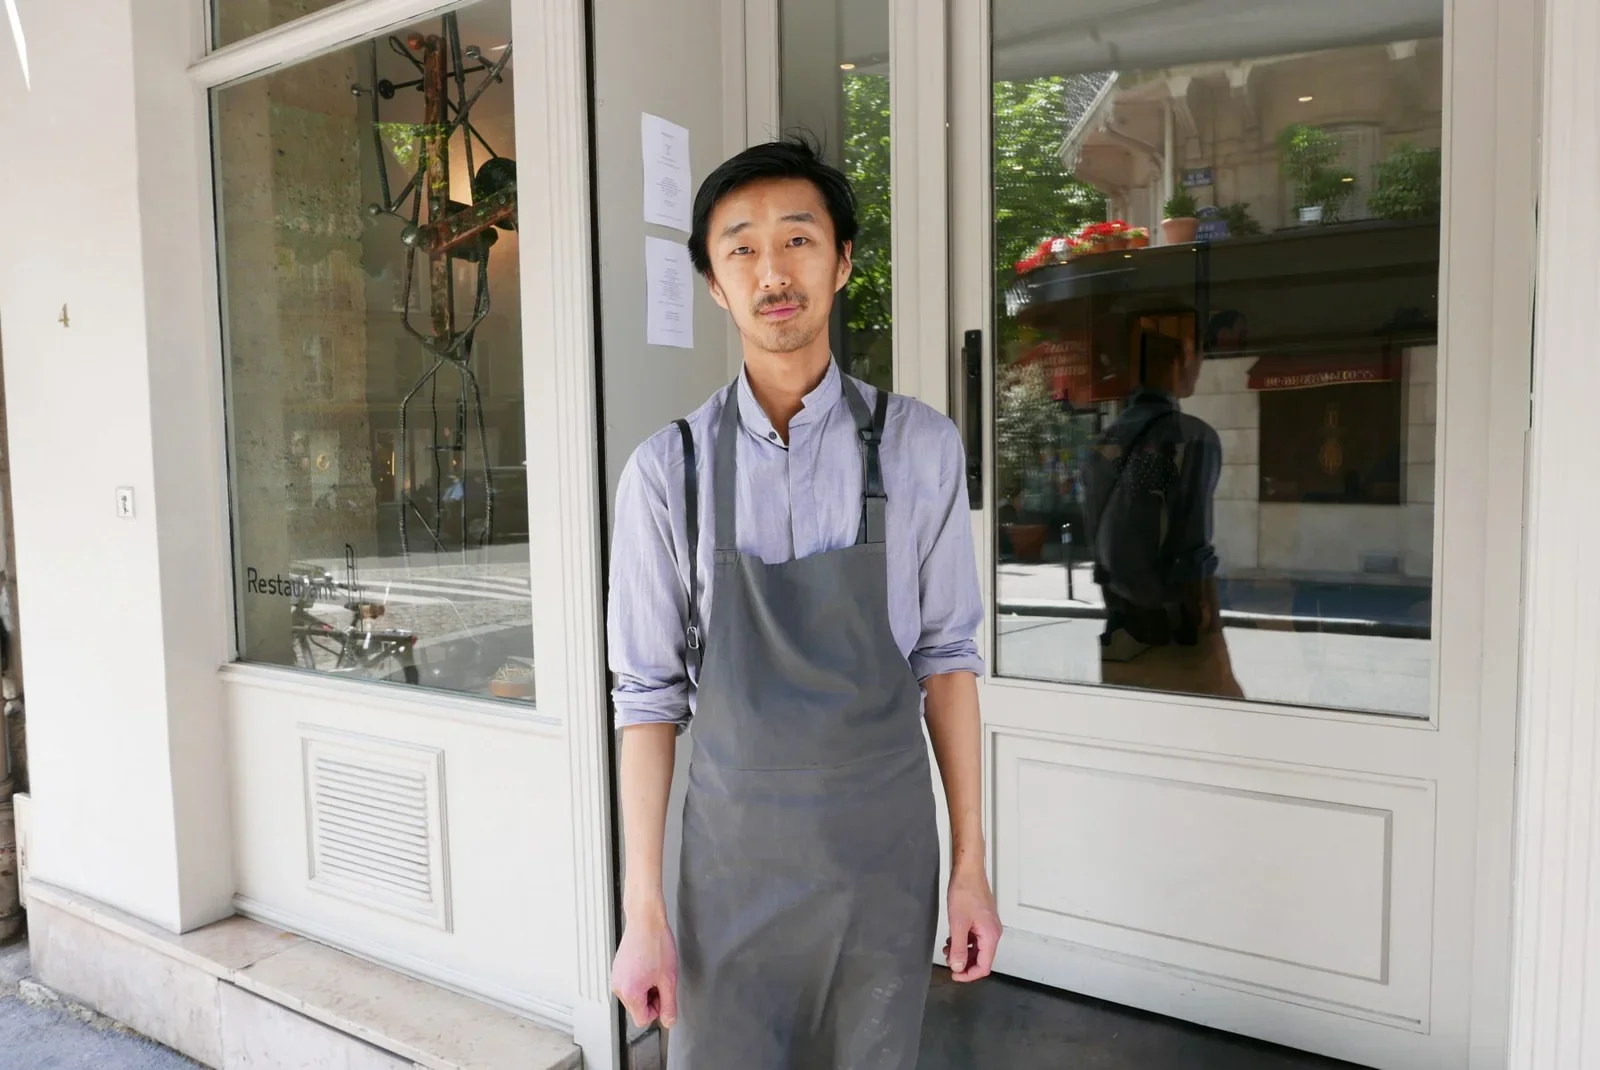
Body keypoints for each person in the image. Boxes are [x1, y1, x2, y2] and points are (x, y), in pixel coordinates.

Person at [607, 136, 1001, 1068]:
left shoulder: (920, 448)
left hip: (883, 861)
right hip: (732, 864)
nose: (772, 270)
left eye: (798, 238)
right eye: (741, 247)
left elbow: (947, 661)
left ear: (843, 261)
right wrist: (643, 914)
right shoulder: (670, 471)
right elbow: (647, 698)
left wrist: (972, 868)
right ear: (713, 281)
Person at [1081, 328, 1242, 698]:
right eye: (1196, 362)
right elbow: (1193, 552)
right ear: (1177, 362)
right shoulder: (1191, 436)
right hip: (1173, 624)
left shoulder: (1103, 442)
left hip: (1121, 622)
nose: (1197, 372)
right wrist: (1213, 636)